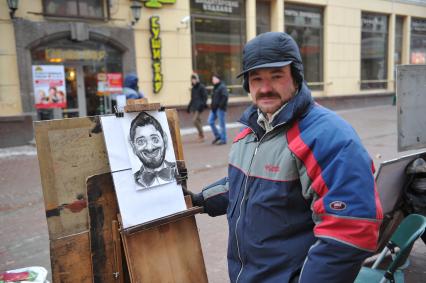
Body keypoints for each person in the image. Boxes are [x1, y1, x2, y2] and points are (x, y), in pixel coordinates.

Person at [189, 32, 383, 283]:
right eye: (256, 78)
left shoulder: (329, 137)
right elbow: (243, 185)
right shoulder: (250, 131)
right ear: (248, 84)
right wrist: (199, 200)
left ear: (296, 77)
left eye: (277, 76)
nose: (265, 88)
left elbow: (351, 229)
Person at [129, 112, 176, 189]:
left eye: (155, 139)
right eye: (141, 142)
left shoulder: (178, 169)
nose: (150, 148)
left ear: (164, 140)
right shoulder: (131, 181)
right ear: (133, 147)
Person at [187, 73, 208, 142]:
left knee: (194, 121)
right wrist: (189, 107)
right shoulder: (193, 89)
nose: (193, 81)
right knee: (198, 121)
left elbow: (205, 97)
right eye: (192, 80)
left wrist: (202, 105)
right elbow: (192, 99)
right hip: (194, 107)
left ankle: (202, 135)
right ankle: (201, 136)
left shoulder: (201, 87)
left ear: (197, 79)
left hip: (199, 107)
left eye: (194, 79)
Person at [208, 74, 229, 145]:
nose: (212, 80)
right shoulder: (215, 87)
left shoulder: (222, 87)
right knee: (210, 121)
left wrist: (220, 106)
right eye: (212, 79)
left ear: (218, 79)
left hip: (220, 109)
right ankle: (218, 136)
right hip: (214, 109)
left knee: (221, 125)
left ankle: (223, 139)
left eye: (214, 79)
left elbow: (225, 96)